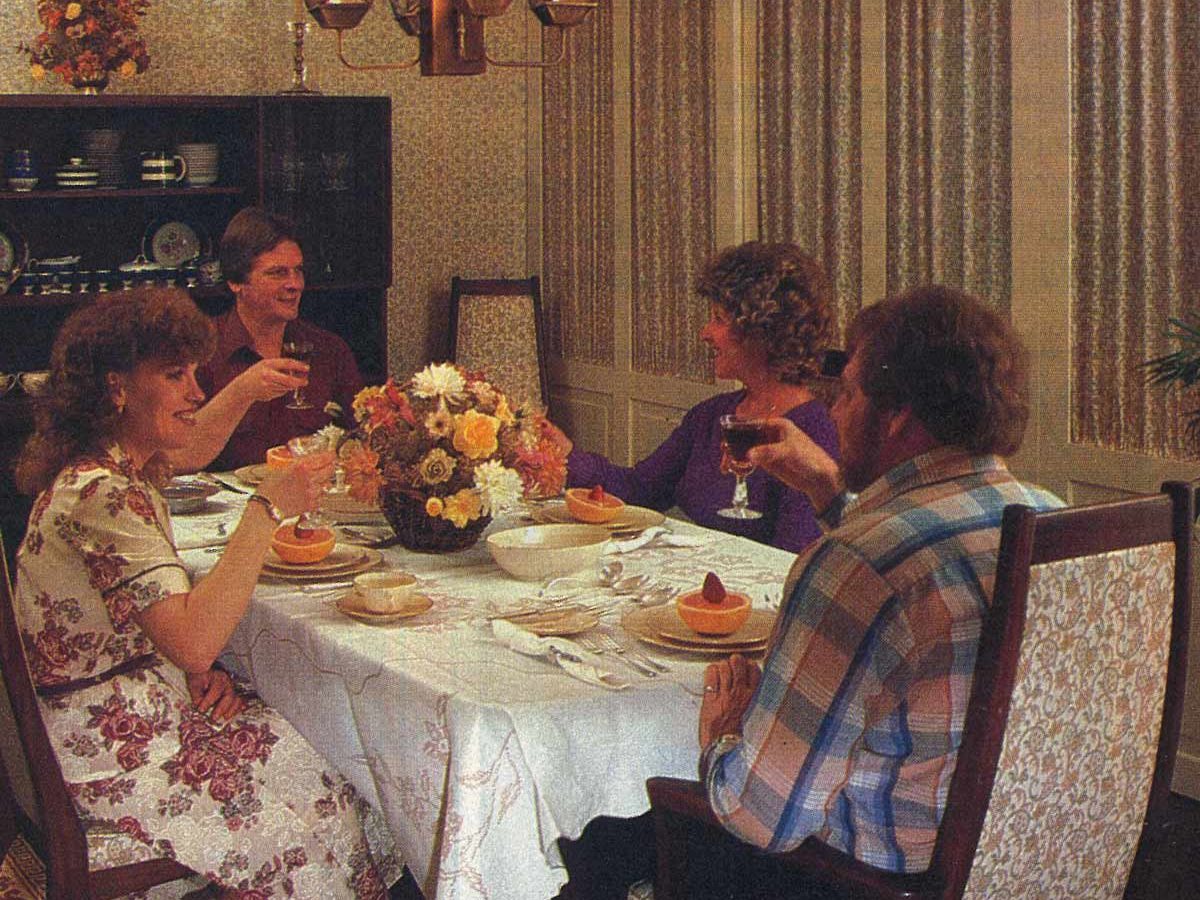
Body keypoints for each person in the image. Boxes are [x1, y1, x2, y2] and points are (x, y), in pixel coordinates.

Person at [12, 289, 402, 899]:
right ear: (117, 388)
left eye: (195, 373)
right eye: (175, 375)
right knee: (308, 817)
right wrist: (267, 507)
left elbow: (169, 633)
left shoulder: (117, 469)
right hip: (101, 751)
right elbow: (194, 640)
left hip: (125, 707)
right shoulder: (101, 494)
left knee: (324, 766)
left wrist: (187, 668)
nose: (196, 391)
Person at [696, 285, 1063, 889]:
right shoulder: (1053, 519)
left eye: (848, 393)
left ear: (896, 416)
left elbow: (760, 817)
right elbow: (919, 565)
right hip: (1038, 868)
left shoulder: (856, 567)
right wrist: (828, 492)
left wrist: (723, 733)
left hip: (873, 884)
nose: (834, 411)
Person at [549, 241, 839, 554]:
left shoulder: (812, 435)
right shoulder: (711, 416)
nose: (705, 333)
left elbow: (791, 562)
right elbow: (639, 489)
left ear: (761, 330)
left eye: (719, 319)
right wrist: (564, 453)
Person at [181, 206, 364, 472]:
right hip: (230, 507)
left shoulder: (329, 350)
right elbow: (177, 457)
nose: (295, 284)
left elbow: (363, 440)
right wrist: (242, 392)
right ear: (235, 281)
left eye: (298, 271)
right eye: (278, 273)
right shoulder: (198, 352)